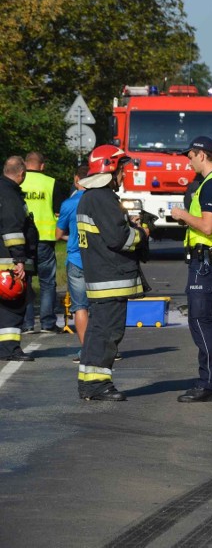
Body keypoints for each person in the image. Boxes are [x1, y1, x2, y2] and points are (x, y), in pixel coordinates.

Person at [76, 145, 149, 401]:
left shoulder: (90, 197)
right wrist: (141, 234)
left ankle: (89, 382)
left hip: (100, 277)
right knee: (108, 334)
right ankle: (98, 386)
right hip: (111, 277)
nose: (124, 174)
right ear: (110, 168)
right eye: (122, 169)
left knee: (97, 332)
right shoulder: (103, 198)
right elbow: (119, 239)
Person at [170, 136, 212, 403]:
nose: (189, 161)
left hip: (206, 261)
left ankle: (208, 383)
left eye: (191, 156)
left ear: (202, 155)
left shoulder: (211, 185)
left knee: (200, 320)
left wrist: (182, 215)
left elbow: (207, 226)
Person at [21, 151, 65, 334]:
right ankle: (47, 323)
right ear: (42, 166)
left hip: (23, 239)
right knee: (47, 282)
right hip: (46, 239)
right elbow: (58, 213)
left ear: (24, 165)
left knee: (25, 280)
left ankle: (27, 324)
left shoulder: (17, 181)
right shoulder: (51, 183)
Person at [0, 156, 39, 361]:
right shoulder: (10, 196)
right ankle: (10, 349)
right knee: (12, 307)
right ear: (21, 174)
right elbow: (13, 230)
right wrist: (20, 260)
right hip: (8, 262)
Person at [56, 165, 89, 363]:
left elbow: (58, 234)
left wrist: (72, 238)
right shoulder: (100, 201)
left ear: (77, 179)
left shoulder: (69, 204)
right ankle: (105, 348)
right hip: (98, 261)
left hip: (76, 260)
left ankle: (86, 350)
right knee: (101, 307)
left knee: (80, 307)